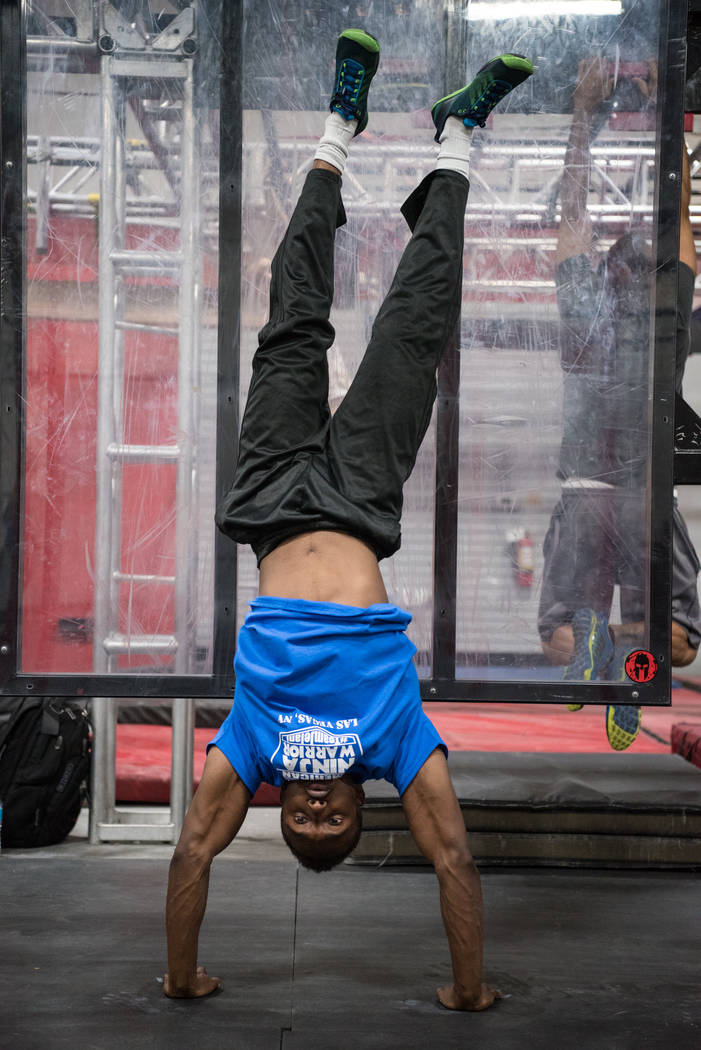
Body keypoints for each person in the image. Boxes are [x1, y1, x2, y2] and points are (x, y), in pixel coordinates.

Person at [163, 29, 533, 1009]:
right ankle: (458, 136)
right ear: (362, 804)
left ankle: (339, 121)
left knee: (293, 314)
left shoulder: (254, 743)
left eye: (305, 822)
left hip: (270, 499)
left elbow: (193, 851)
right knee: (415, 325)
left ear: (280, 803)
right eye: (336, 823)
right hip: (361, 503)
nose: (321, 811)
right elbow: (451, 856)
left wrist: (181, 978)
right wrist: (467, 990)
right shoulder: (392, 739)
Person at [538, 58, 701, 749]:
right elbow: (681, 218)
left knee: (556, 633)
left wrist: (583, 115)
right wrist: (671, 122)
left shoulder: (582, 307)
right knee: (680, 641)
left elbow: (571, 211)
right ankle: (631, 658)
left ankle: (598, 644)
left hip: (584, 490)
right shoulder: (668, 317)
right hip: (645, 494)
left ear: (604, 272)